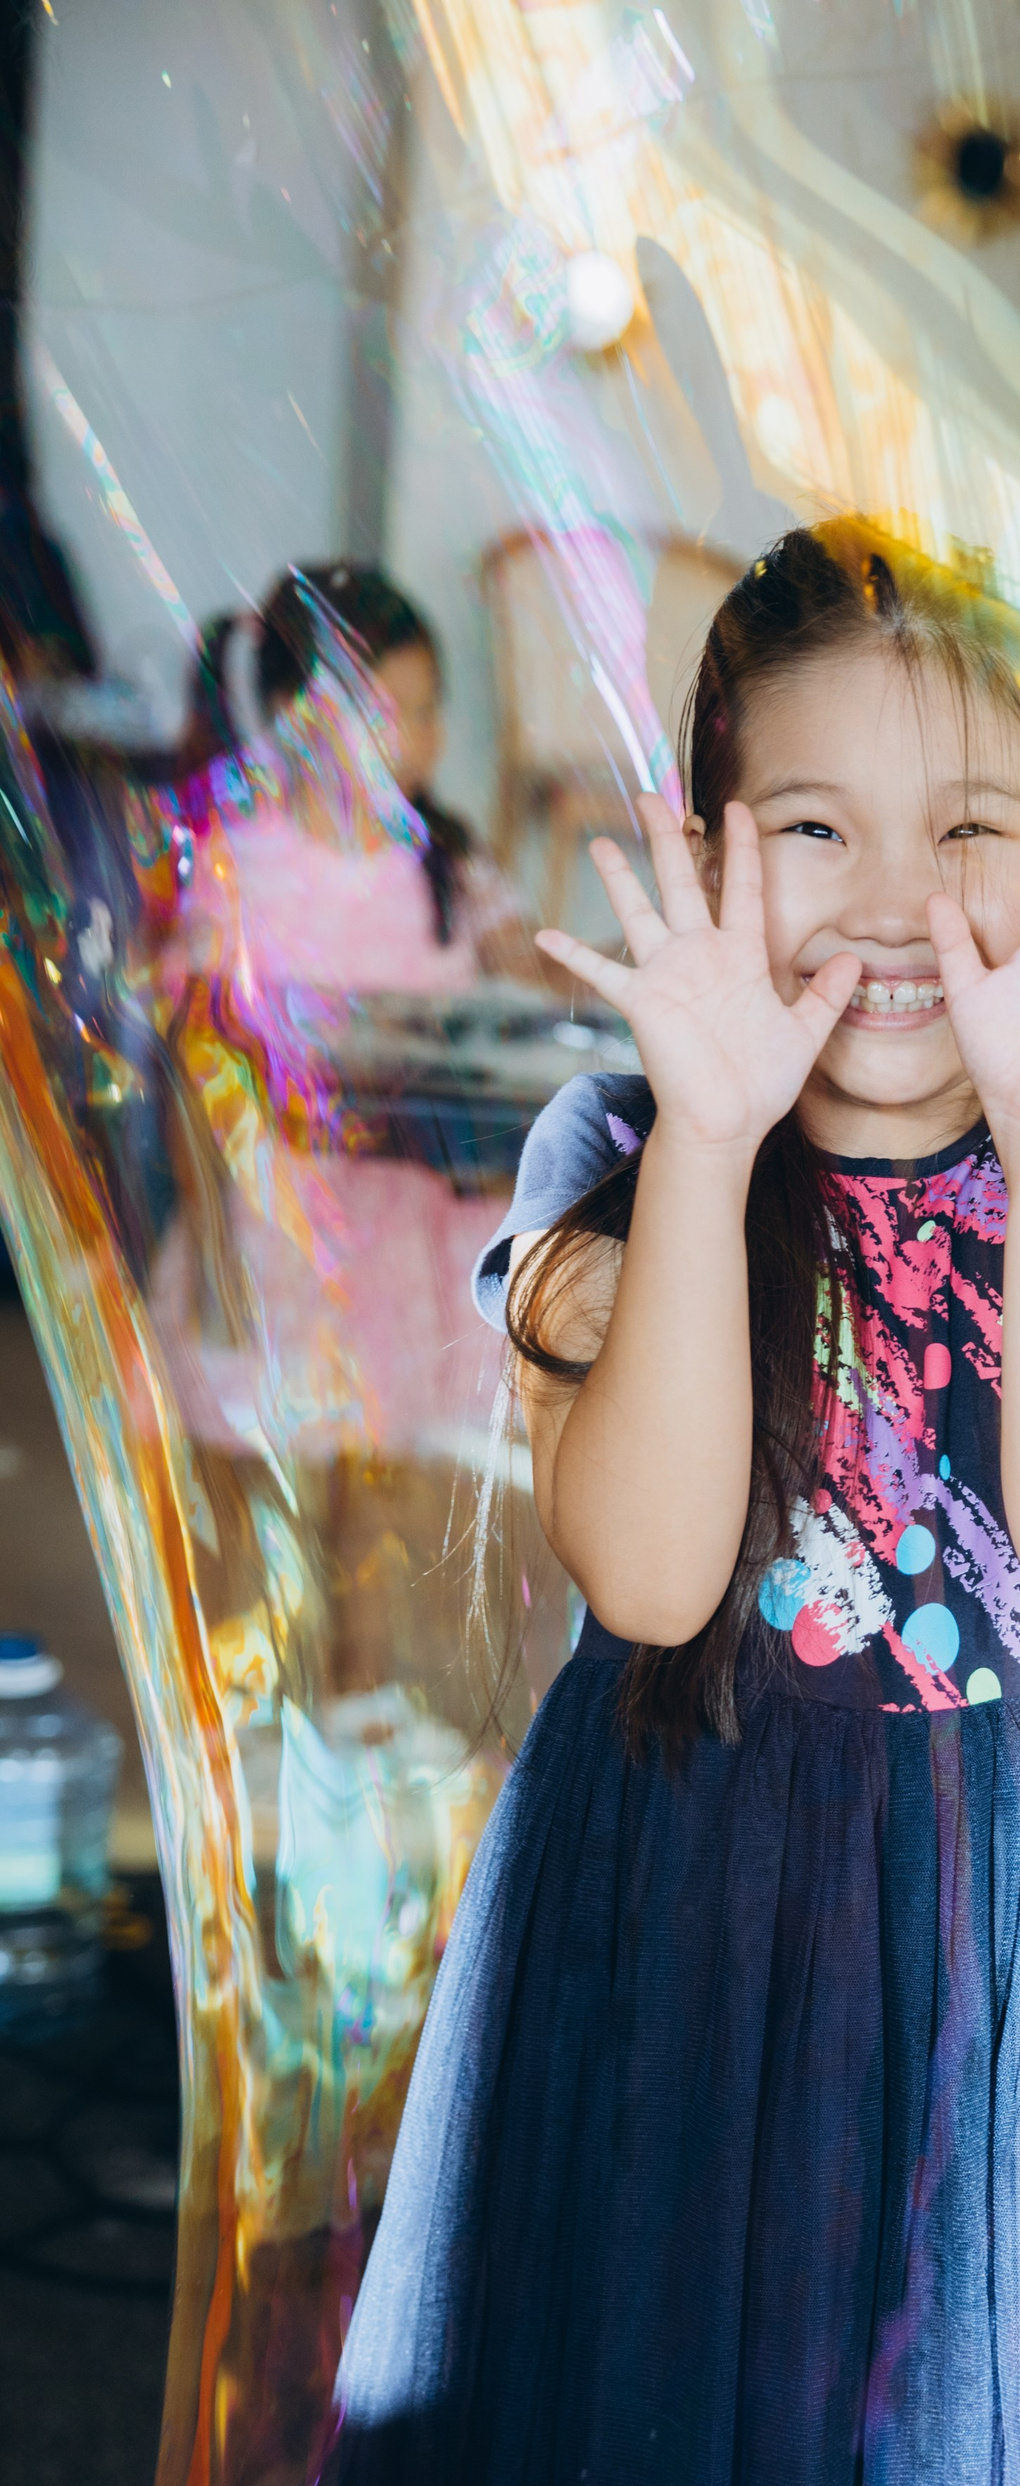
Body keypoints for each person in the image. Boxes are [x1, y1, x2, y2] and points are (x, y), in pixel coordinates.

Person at [296, 522, 1020, 2486]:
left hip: (993, 1955)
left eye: (972, 828)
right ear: (709, 855)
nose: (896, 902)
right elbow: (647, 1573)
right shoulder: (624, 1151)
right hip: (684, 1911)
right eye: (817, 827)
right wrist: (714, 1130)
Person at [146, 567, 548, 1706]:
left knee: (376, 1480)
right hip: (278, 1236)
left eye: (429, 709)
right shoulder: (247, 870)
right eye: (391, 710)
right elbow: (195, 1074)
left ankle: (358, 1699)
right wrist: (214, 1250)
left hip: (402, 1239)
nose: (421, 736)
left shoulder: (447, 869)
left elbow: (531, 993)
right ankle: (250, 1704)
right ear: (296, 719)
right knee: (265, 1480)